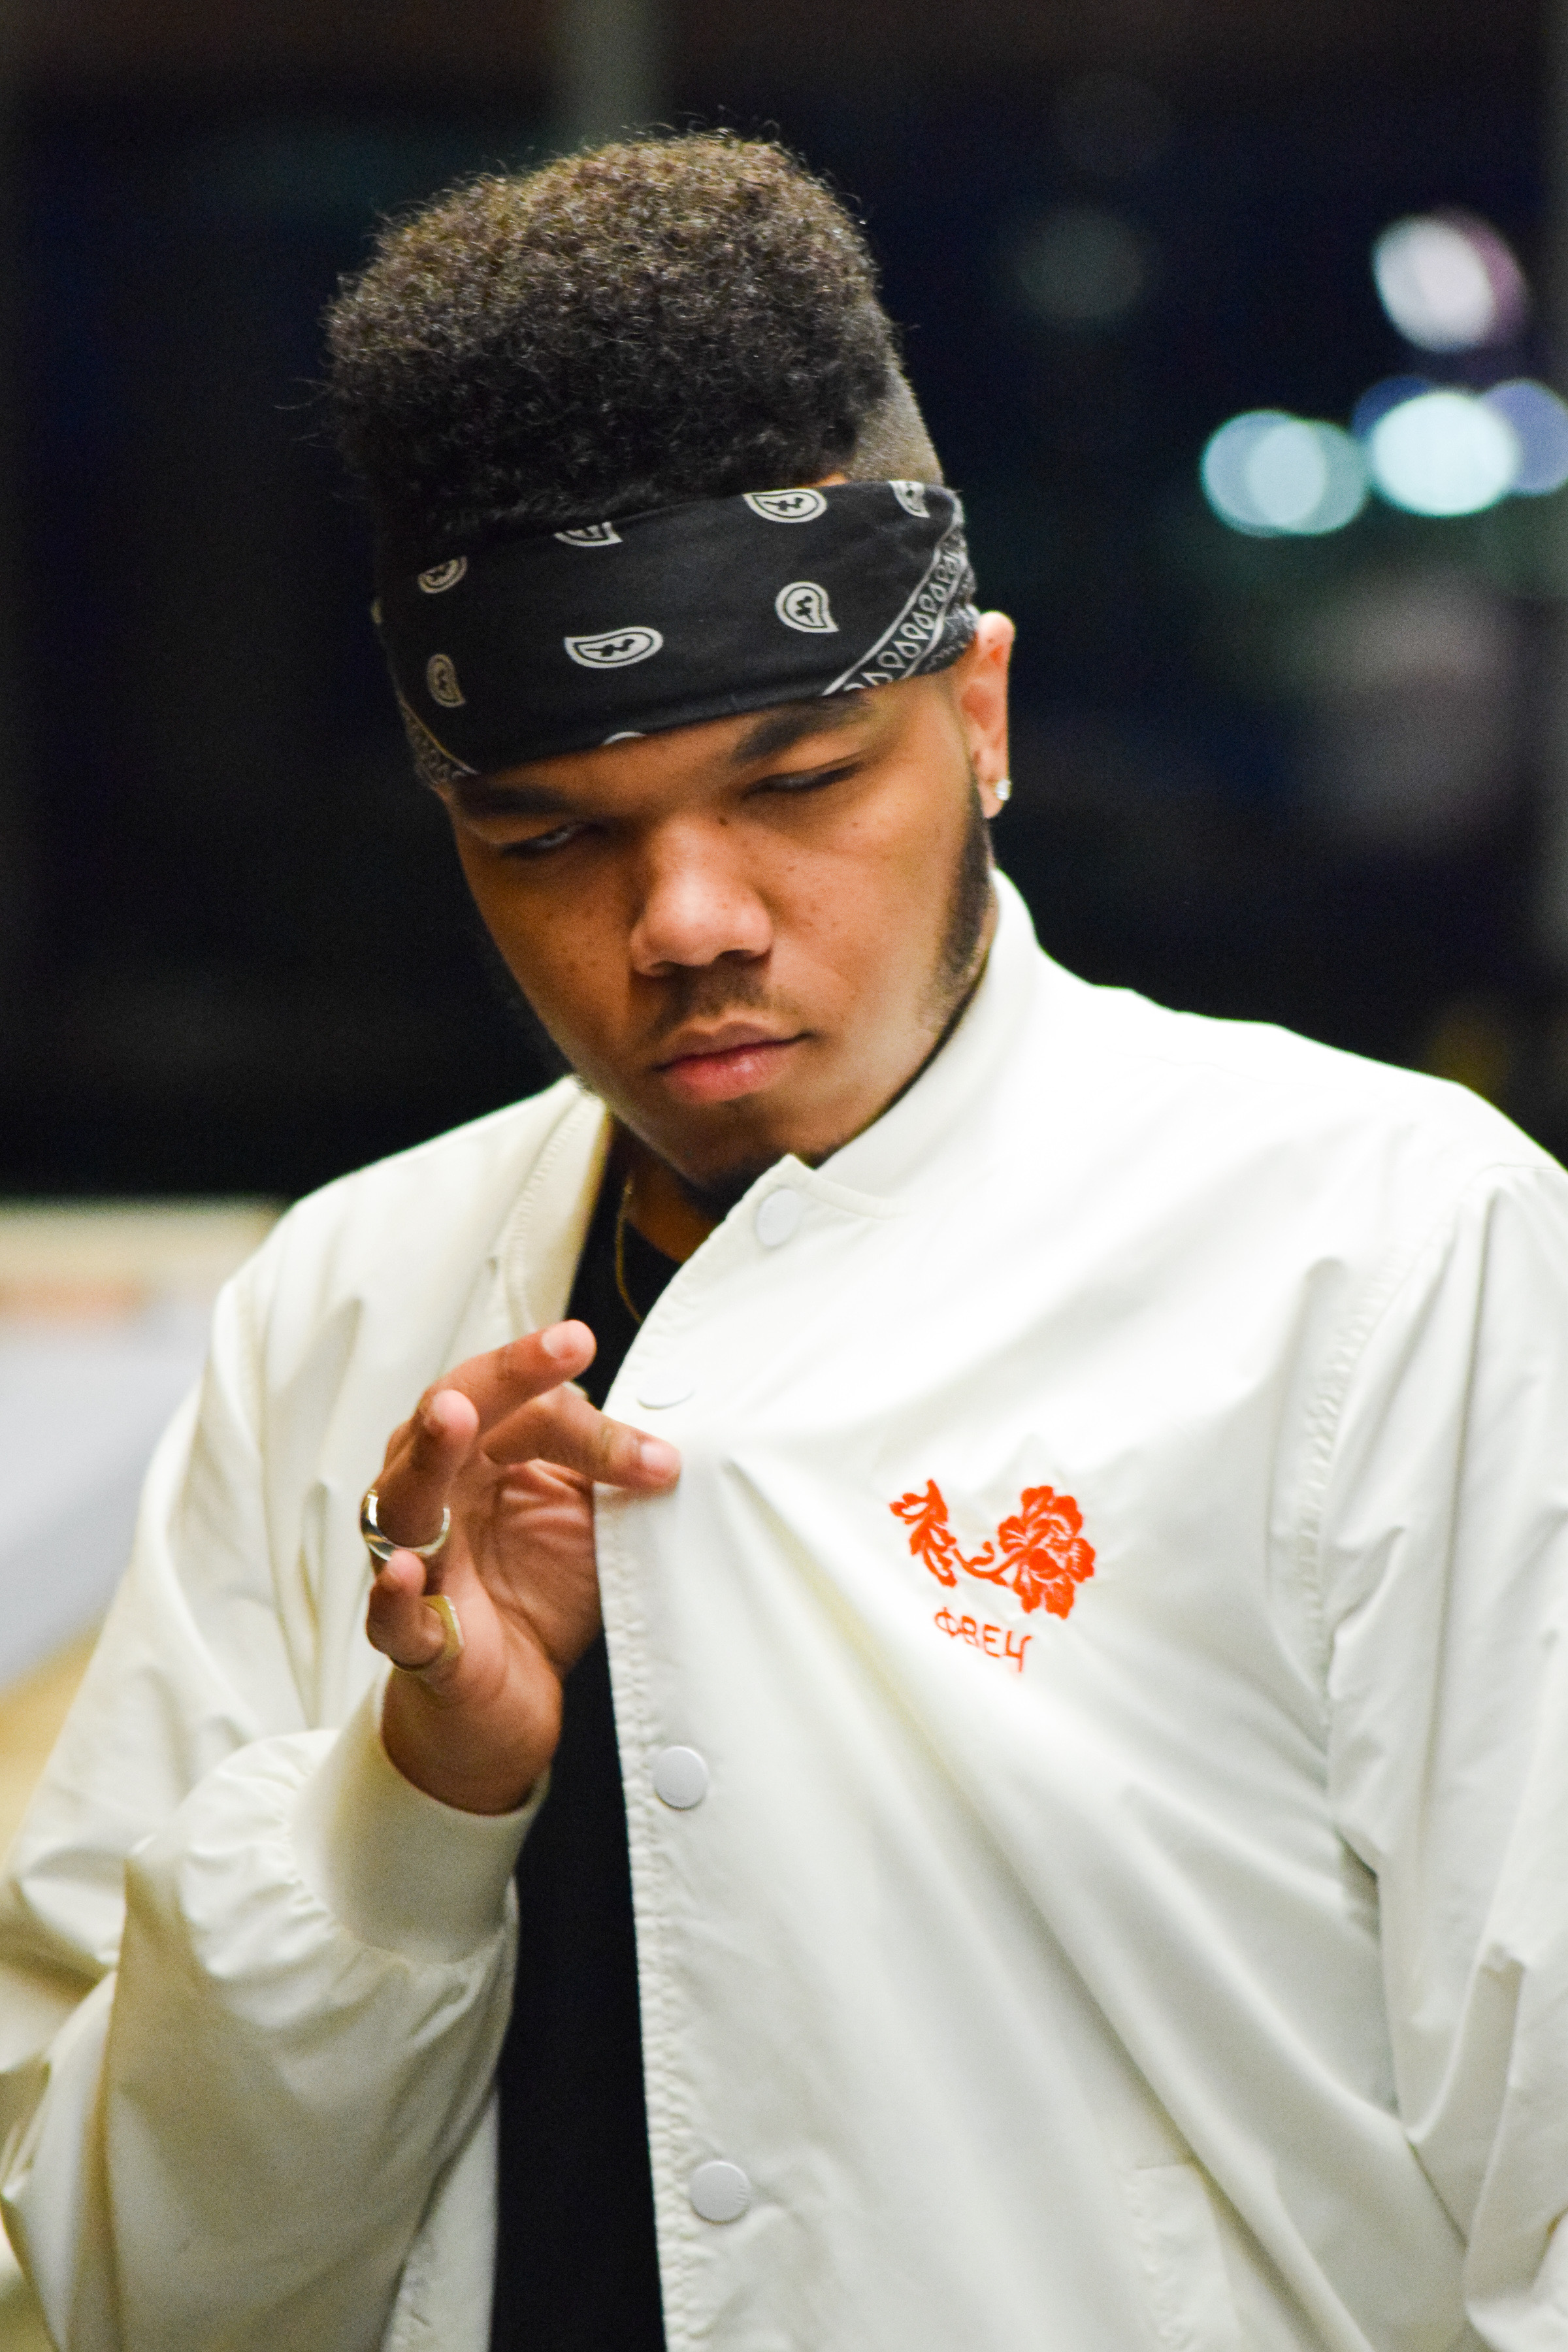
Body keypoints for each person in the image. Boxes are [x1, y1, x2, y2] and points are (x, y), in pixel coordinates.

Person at [2, 131, 1567, 2352]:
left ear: (980, 717)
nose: (687, 922)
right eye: (550, 838)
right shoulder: (347, 1310)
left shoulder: (1383, 1252)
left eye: (800, 782)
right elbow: (120, 2289)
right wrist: (411, 1805)